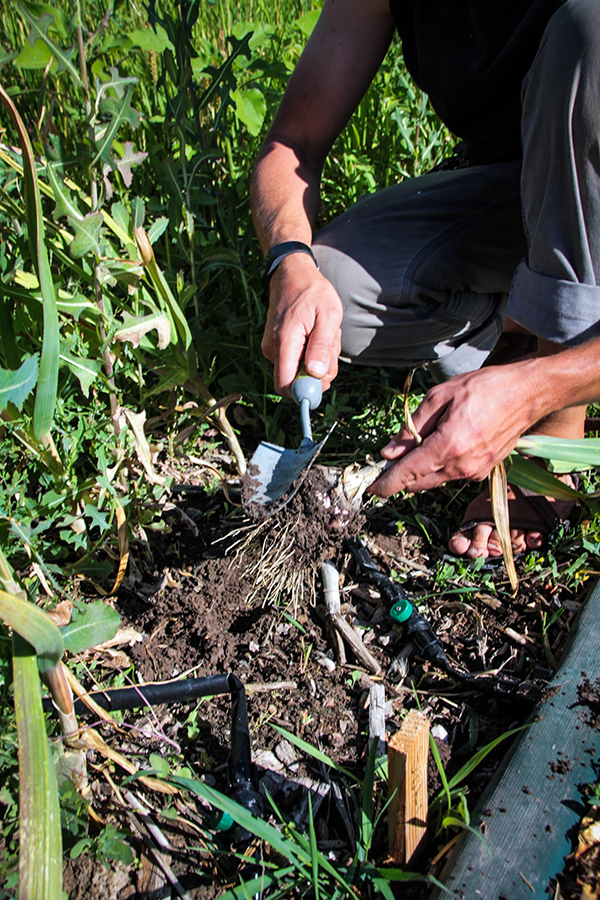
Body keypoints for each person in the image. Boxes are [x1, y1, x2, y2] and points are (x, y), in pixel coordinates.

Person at [250, 0, 600, 560]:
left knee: (591, 30)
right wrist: (290, 262)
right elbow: (293, 142)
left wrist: (541, 391)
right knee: (336, 284)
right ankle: (521, 329)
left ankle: (557, 422)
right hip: (515, 190)